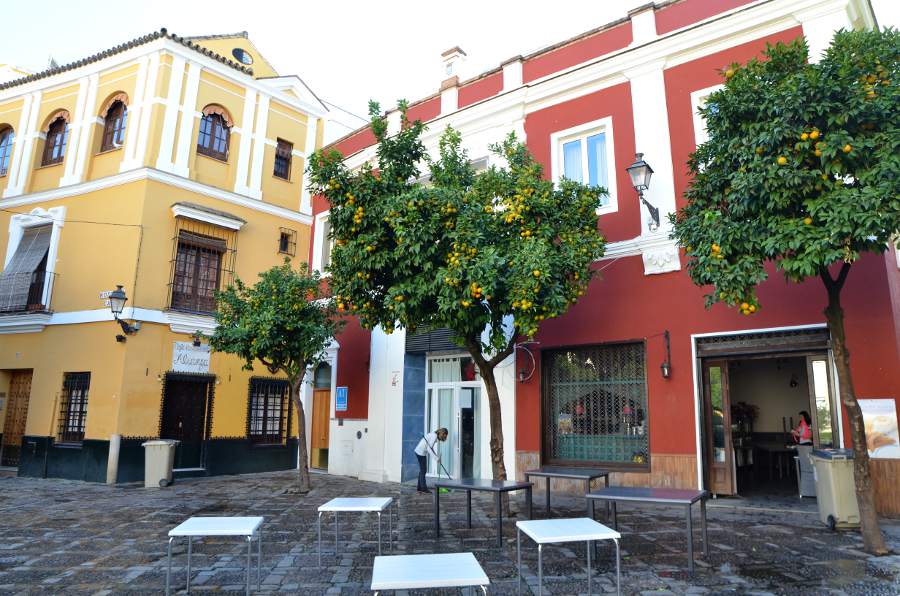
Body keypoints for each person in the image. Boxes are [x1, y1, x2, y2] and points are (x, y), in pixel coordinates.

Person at [414, 427, 448, 493]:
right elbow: (429, 449)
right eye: (444, 436)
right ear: (442, 433)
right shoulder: (434, 436)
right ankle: (423, 488)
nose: (444, 438)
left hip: (420, 451)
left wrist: (436, 457)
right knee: (423, 470)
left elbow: (430, 448)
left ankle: (419, 487)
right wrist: (436, 458)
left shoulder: (434, 435)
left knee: (422, 470)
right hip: (420, 452)